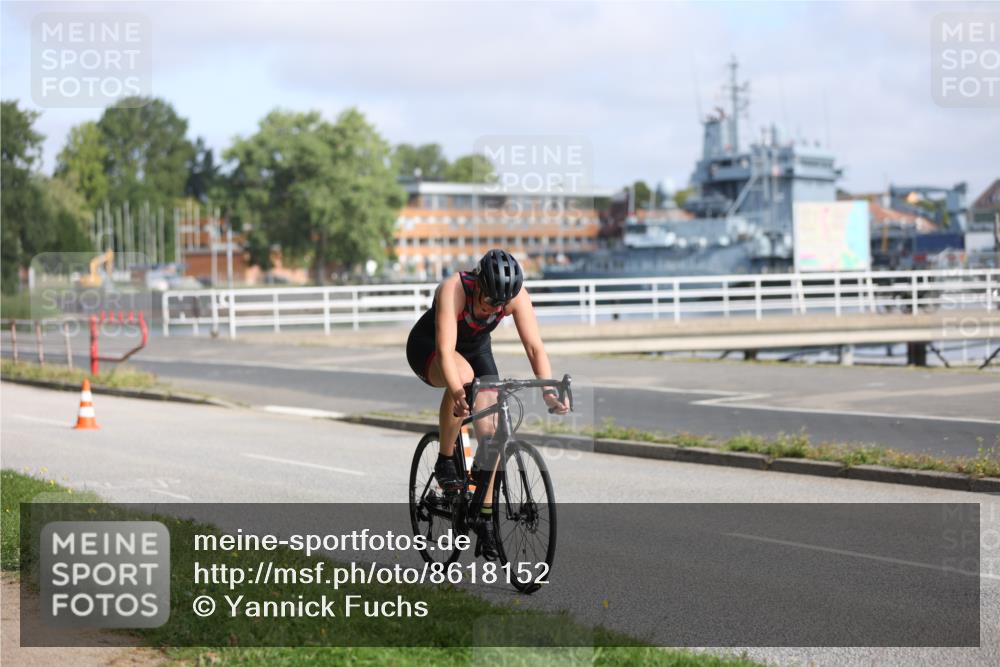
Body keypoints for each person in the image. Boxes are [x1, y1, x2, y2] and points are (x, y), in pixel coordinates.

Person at [406, 249, 569, 560]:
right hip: (430, 348)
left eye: (500, 304)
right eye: (490, 300)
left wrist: (549, 391)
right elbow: (445, 350)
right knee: (465, 378)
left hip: (477, 349)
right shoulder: (454, 288)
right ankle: (445, 459)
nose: (494, 308)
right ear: (478, 284)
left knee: (491, 434)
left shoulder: (515, 297)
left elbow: (534, 347)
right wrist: (457, 391)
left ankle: (484, 516)